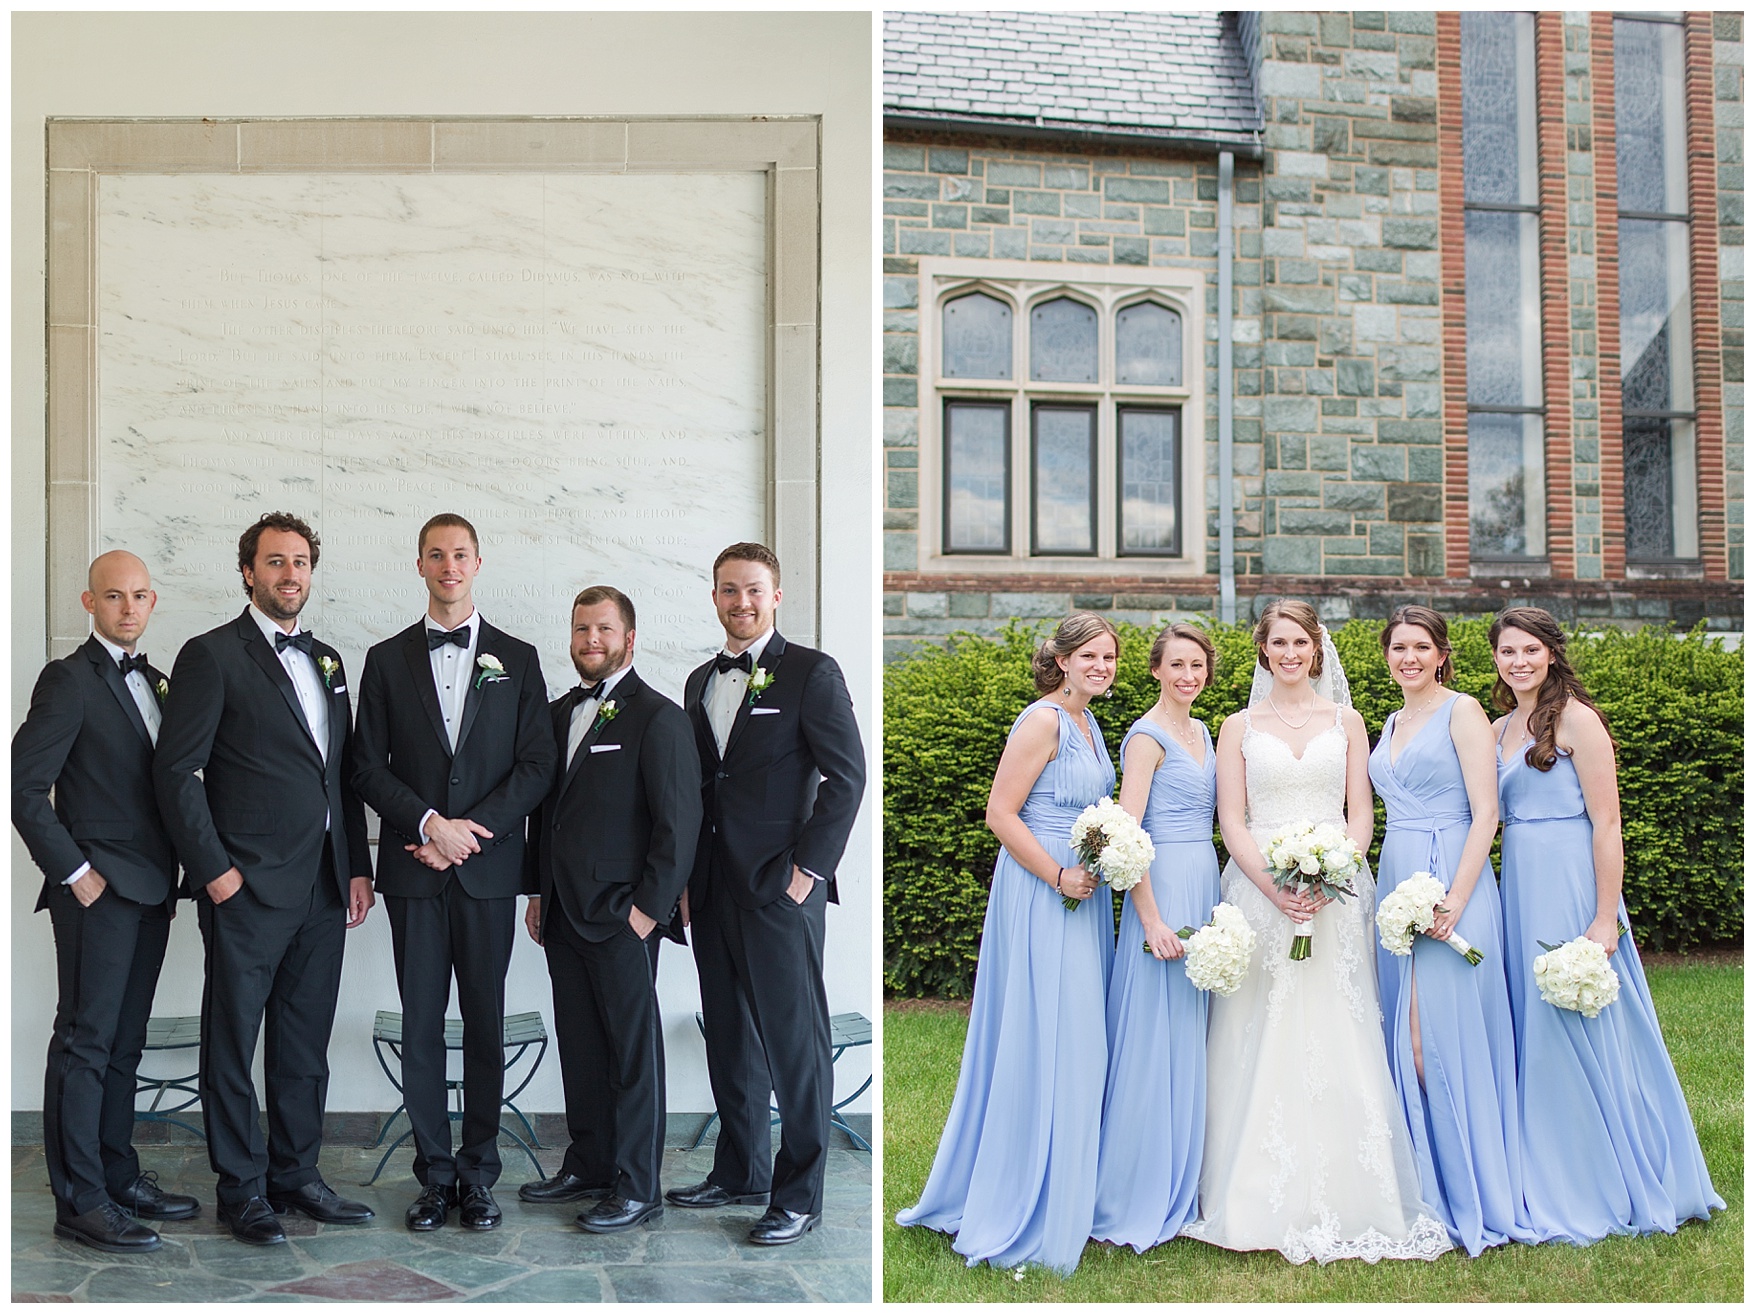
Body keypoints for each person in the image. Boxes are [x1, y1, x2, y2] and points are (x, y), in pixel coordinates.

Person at [1187, 599, 1449, 1264]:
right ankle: (1247, 1188)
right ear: (1262, 650)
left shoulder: (1349, 721)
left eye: (1299, 641)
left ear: (1316, 647)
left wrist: (1335, 869)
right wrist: (1275, 887)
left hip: (1336, 889)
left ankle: (1356, 1188)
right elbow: (1232, 820)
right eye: (1277, 642)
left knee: (1339, 1020)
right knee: (1259, 1022)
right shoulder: (1236, 726)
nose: (1289, 653)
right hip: (1257, 884)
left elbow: (1358, 814)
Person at [153, 512, 376, 1246]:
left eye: (301, 562)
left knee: (303, 1043)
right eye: (275, 562)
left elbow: (339, 776)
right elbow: (176, 771)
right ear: (247, 571)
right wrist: (214, 872)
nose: (290, 574)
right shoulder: (211, 655)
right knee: (231, 1041)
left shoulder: (330, 660)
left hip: (321, 887)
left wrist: (354, 867)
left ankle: (296, 1173)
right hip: (243, 887)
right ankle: (241, 1187)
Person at [1490, 606, 1722, 1242]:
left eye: (1529, 650)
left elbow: (1608, 824)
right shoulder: (1498, 728)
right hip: (1520, 891)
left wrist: (1602, 917)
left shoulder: (1578, 720)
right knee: (1533, 1026)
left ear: (1552, 654)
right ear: (1496, 661)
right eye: (1507, 652)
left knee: (1587, 1025)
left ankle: (1612, 1173)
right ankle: (1548, 1167)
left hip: (1571, 886)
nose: (1519, 662)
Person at [351, 514, 556, 1232]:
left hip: (485, 873)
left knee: (486, 1027)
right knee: (421, 1029)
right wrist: (427, 824)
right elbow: (364, 766)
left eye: (459, 554)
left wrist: (467, 835)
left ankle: (478, 1176)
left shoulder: (519, 659)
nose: (448, 565)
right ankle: (432, 1179)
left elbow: (536, 764)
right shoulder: (383, 660)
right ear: (418, 566)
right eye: (435, 555)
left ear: (478, 562)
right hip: (412, 872)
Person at [896, 612, 1118, 1275]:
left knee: (1077, 1037)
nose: (1102, 667)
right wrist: (1055, 873)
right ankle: (1022, 1188)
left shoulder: (1089, 721)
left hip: (1081, 886)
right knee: (1044, 1033)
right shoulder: (1043, 720)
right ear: (1063, 659)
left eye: (1109, 657)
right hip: (1042, 888)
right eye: (1090, 656)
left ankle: (1064, 1179)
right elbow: (999, 811)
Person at [670, 542, 866, 1246]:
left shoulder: (811, 671)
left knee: (795, 1044)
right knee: (729, 1036)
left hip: (781, 888)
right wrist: (686, 884)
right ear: (714, 596)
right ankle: (740, 1170)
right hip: (713, 889)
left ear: (775, 595)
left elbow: (847, 778)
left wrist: (806, 874)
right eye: (728, 590)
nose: (740, 602)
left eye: (753, 590)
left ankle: (798, 1193)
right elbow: (697, 793)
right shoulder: (698, 681)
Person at [11, 551, 200, 1253]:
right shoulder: (68, 680)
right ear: (89, 604)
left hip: (153, 889)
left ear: (153, 603)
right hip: (95, 894)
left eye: (139, 596)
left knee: (124, 1045)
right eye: (113, 597)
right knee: (85, 1045)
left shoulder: (158, 681)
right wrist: (74, 872)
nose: (128, 608)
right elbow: (25, 790)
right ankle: (80, 1201)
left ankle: (118, 1176)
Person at [523, 585, 700, 1234]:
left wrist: (646, 914)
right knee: (582, 1046)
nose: (589, 641)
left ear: (629, 638)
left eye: (601, 629)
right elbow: (547, 817)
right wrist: (537, 892)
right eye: (579, 630)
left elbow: (677, 824)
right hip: (563, 916)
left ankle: (636, 1186)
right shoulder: (557, 711)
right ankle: (589, 1163)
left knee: (631, 1055)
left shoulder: (657, 717)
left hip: (623, 916)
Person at [1368, 605, 1539, 1255]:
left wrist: (1456, 896)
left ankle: (1463, 1190)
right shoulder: (1389, 721)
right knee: (1403, 1032)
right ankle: (1415, 1186)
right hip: (1395, 879)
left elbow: (1486, 810)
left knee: (1433, 1038)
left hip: (1450, 880)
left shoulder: (1461, 710)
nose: (1407, 657)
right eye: (1397, 647)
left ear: (1441, 653)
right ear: (1386, 655)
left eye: (1419, 647)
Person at [1092, 622, 1220, 1251]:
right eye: (1176, 665)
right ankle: (1134, 1188)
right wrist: (1150, 919)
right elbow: (1125, 835)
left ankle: (1190, 1175)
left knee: (1193, 1037)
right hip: (1163, 889)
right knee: (1155, 1035)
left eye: (1197, 665)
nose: (1187, 676)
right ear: (1155, 670)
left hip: (1206, 883)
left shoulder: (1203, 732)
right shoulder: (1145, 738)